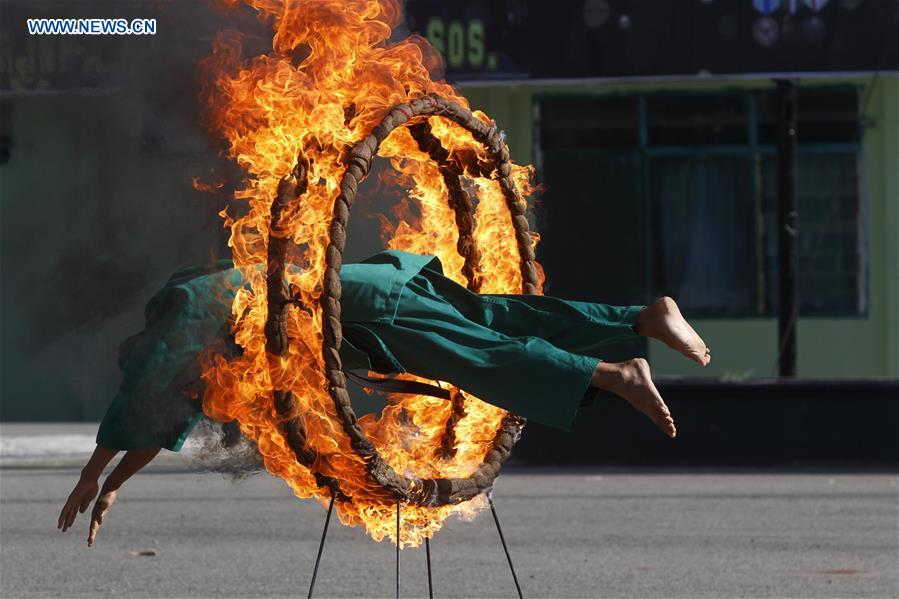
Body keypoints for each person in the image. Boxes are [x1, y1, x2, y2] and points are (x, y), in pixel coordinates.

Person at [58, 249, 709, 545]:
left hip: (365, 309)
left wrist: (94, 471)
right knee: (497, 319)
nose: (184, 386)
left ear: (145, 347)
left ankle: (613, 373)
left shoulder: (180, 311)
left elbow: (145, 398)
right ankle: (639, 316)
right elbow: (160, 415)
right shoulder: (206, 332)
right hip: (377, 289)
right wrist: (117, 483)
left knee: (482, 358)